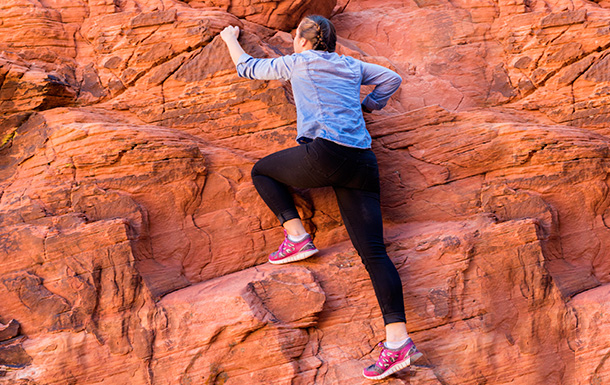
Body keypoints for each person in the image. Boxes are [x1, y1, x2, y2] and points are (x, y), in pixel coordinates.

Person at [220, 15, 422, 380]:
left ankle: (297, 238)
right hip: (361, 161)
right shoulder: (349, 64)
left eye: (296, 35)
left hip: (325, 155)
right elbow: (392, 78)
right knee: (374, 253)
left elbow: (247, 68)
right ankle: (399, 342)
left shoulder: (298, 62)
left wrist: (229, 38)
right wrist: (370, 106)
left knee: (261, 171)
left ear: (302, 41)